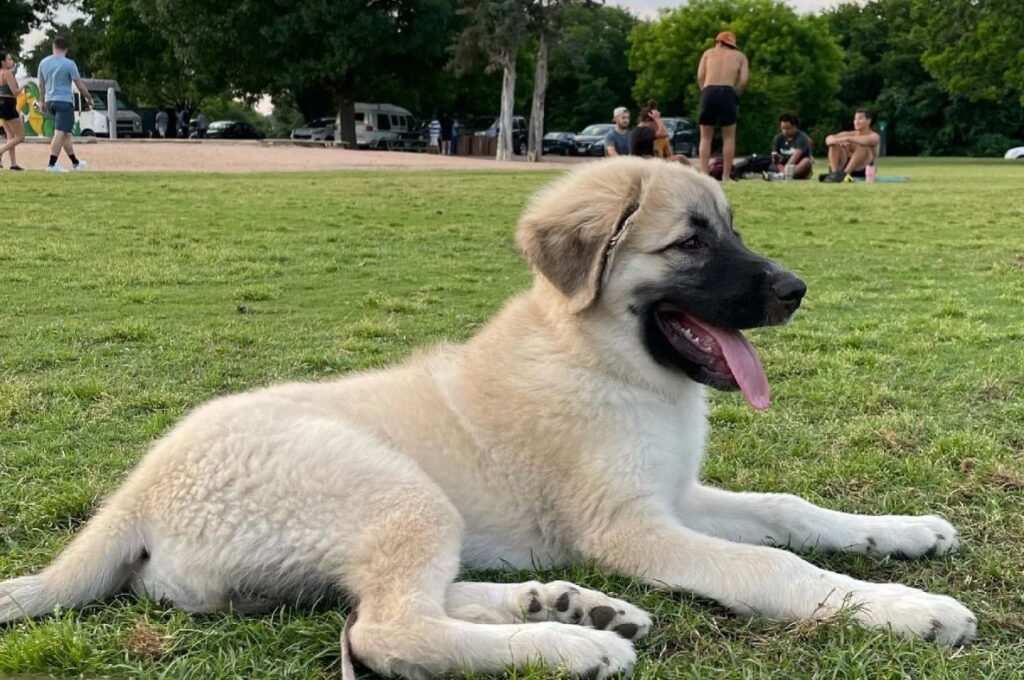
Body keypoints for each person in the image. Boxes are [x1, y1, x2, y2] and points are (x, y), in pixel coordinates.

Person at [697, 31, 749, 182]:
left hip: (709, 91)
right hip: (728, 92)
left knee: (705, 137)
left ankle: (704, 175)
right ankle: (726, 176)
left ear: (718, 42)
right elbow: (744, 80)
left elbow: (700, 76)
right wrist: (735, 94)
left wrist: (705, 91)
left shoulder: (708, 53)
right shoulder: (740, 56)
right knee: (729, 136)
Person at [38, 37, 92, 172]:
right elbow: (79, 84)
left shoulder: (43, 63)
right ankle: (52, 164)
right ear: (66, 49)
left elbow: (41, 84)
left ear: (53, 47)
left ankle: (75, 163)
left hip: (50, 101)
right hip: (64, 102)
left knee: (66, 134)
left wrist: (42, 101)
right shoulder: (69, 64)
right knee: (60, 133)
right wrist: (88, 97)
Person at [820, 109, 881, 182]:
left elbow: (867, 140)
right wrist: (837, 141)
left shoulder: (874, 136)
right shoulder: (848, 134)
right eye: (855, 119)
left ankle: (844, 174)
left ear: (868, 121)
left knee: (863, 146)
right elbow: (828, 139)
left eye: (860, 119)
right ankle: (834, 174)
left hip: (862, 169)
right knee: (834, 144)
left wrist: (847, 139)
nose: (856, 122)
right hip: (841, 166)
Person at [766, 112, 813, 180]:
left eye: (788, 128)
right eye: (783, 128)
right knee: (774, 164)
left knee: (806, 161)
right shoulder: (778, 138)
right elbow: (775, 155)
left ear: (795, 126)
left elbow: (795, 156)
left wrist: (788, 170)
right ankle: (784, 175)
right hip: (783, 165)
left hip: (797, 166)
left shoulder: (801, 138)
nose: (785, 131)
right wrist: (776, 158)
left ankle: (783, 175)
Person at [0, 51, 26, 171]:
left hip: (1, 105)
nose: (11, 61)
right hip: (8, 104)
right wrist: (24, 85)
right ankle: (1, 152)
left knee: (10, 135)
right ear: (3, 62)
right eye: (9, 59)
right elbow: (15, 92)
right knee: (20, 137)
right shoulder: (7, 73)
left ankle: (13, 163)